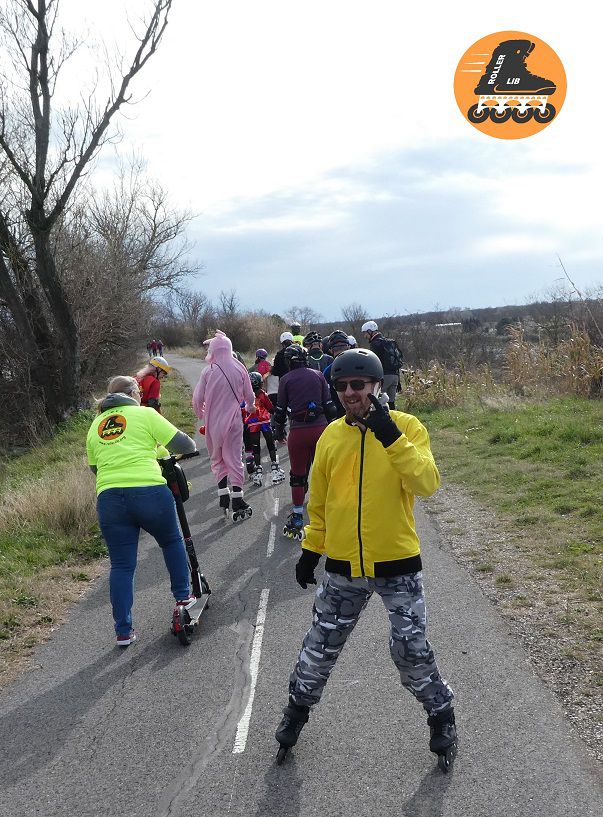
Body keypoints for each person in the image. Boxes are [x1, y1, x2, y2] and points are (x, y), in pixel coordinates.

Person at [274, 348, 456, 767]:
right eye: (342, 386)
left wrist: (388, 433)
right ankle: (295, 712)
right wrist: (309, 551)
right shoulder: (331, 437)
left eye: (359, 385)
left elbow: (427, 483)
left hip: (397, 564)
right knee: (320, 647)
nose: (351, 393)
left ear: (376, 386)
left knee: (409, 649)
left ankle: (441, 713)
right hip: (343, 568)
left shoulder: (407, 427)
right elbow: (318, 503)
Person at [86, 375, 198, 646]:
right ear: (133, 393)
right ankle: (183, 598)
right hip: (149, 491)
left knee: (122, 565)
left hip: (110, 498)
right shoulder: (145, 414)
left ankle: (123, 630)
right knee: (171, 541)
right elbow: (186, 445)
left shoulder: (95, 426)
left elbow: (95, 468)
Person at [273, 345, 336, 538]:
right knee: (324, 473)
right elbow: (329, 405)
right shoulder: (318, 375)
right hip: (321, 429)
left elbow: (280, 410)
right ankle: (330, 513)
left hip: (298, 431)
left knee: (298, 476)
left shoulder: (285, 379)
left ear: (289, 361)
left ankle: (298, 516)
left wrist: (278, 431)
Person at [193, 330, 255, 519]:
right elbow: (249, 396)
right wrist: (251, 407)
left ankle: (223, 495)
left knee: (217, 457)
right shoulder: (239, 369)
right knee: (234, 458)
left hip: (213, 423)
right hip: (234, 421)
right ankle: (237, 497)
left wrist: (201, 413)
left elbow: (197, 399)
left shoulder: (208, 371)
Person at [243, 371, 285, 486]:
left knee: (256, 448)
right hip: (265, 422)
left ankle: (258, 472)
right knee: (271, 445)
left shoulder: (246, 396)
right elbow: (270, 408)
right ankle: (275, 470)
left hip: (252, 424)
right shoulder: (262, 394)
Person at [361, 320, 403, 410]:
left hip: (384, 377)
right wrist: (398, 381)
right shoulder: (388, 342)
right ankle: (394, 421)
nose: (365, 336)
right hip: (395, 376)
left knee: (378, 402)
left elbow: (374, 363)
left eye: (365, 333)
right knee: (391, 403)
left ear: (370, 331)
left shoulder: (375, 344)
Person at [321, 330, 351, 419]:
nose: (340, 352)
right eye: (337, 349)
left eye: (342, 347)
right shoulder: (327, 372)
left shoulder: (327, 371)